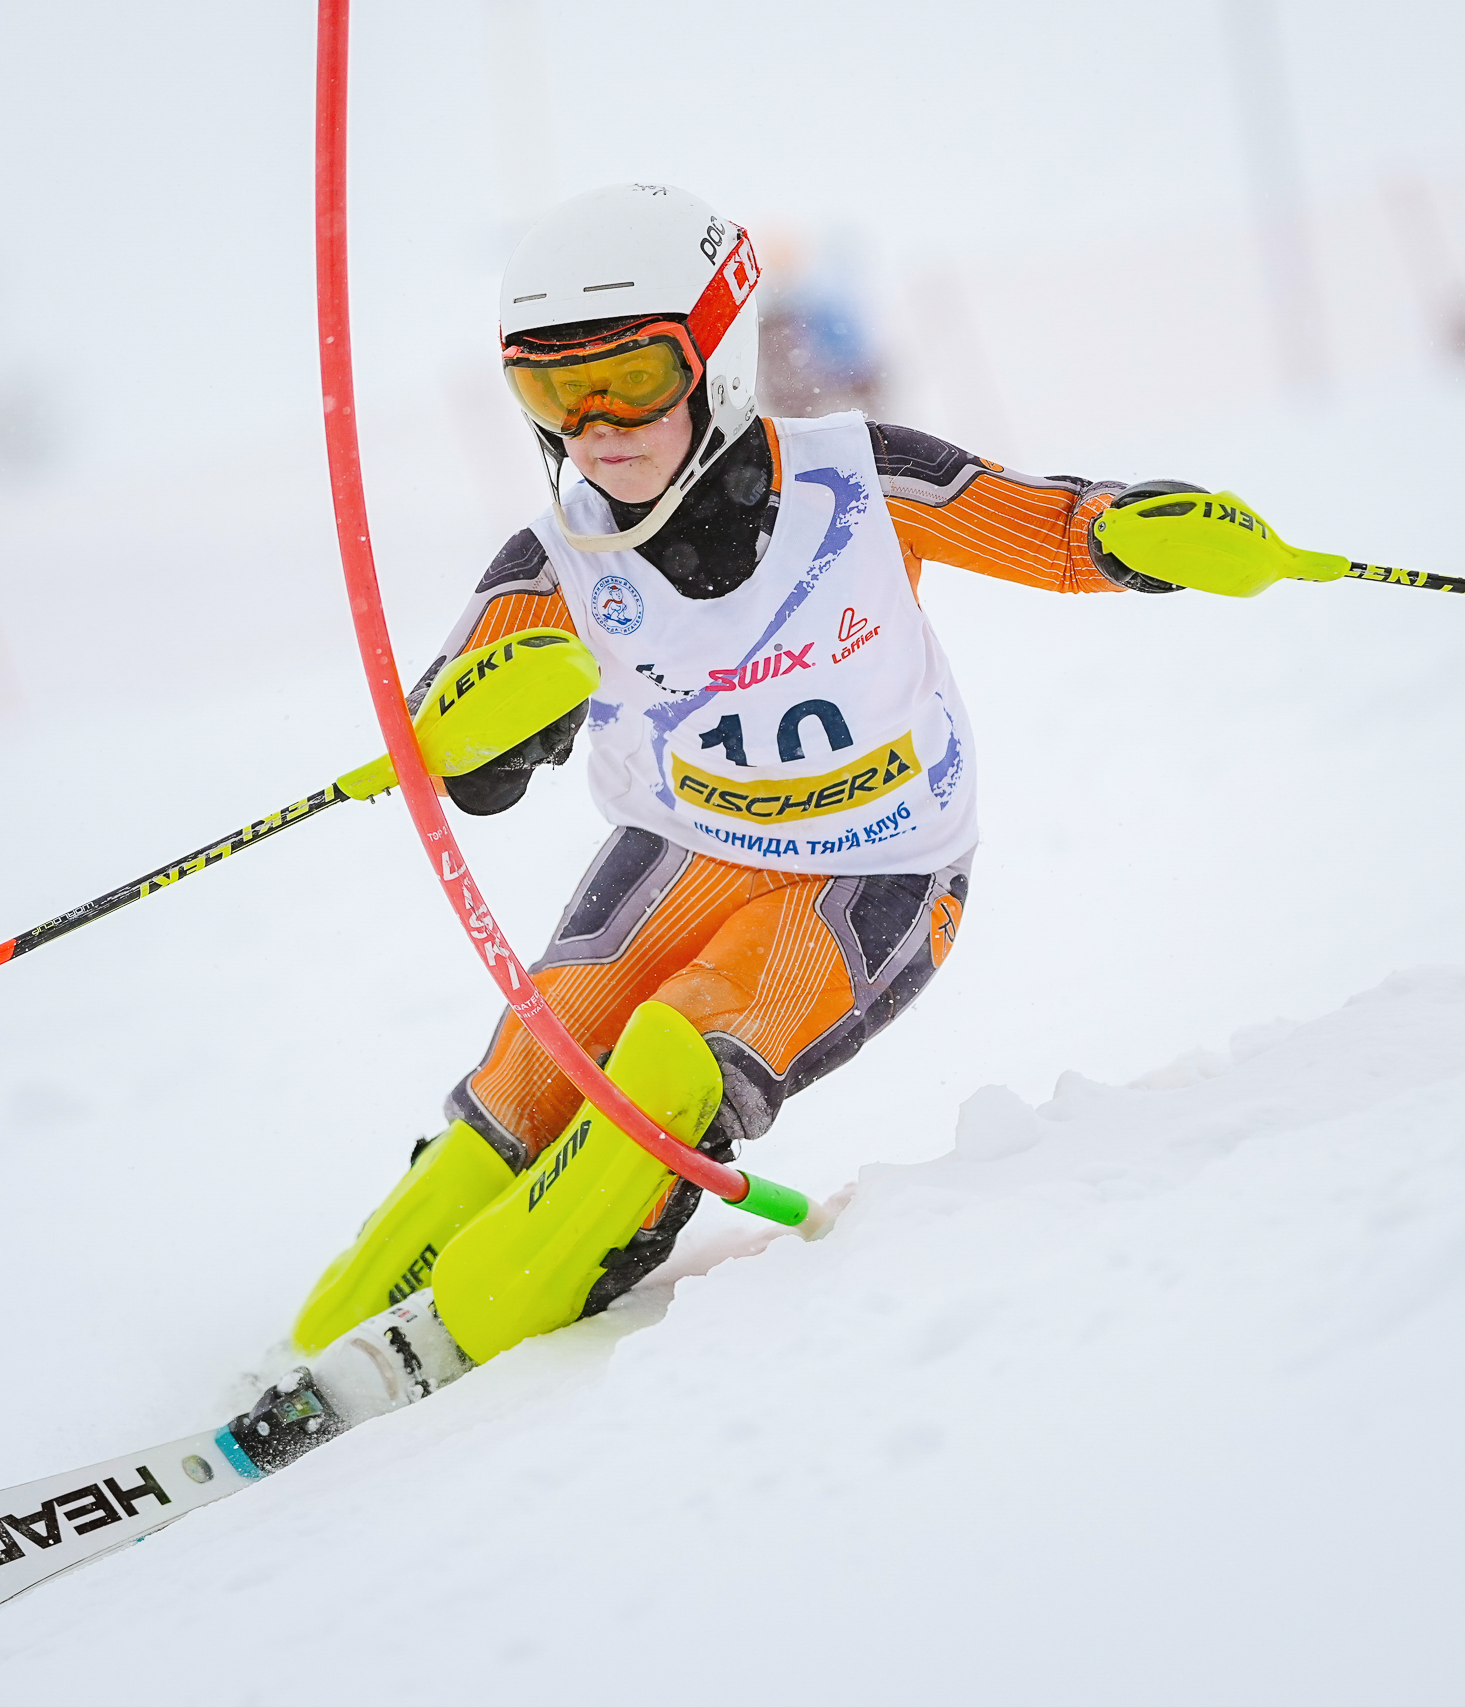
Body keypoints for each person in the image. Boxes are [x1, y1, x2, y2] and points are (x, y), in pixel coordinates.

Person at [223, 183, 1320, 1471]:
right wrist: (477, 733)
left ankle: (472, 1323)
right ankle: (335, 1331)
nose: (597, 428)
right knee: (539, 1064)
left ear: (717, 355)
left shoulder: (857, 479)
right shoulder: (554, 564)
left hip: (874, 870)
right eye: (550, 394)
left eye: (631, 375)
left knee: (674, 1063)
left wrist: (1137, 536)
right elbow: (463, 754)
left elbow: (1039, 524)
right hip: (679, 854)